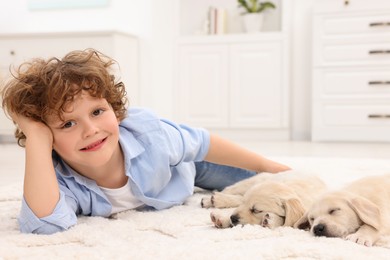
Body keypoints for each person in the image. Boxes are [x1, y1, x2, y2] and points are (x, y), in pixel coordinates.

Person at [0, 49, 290, 235]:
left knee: (271, 186)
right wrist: (35, 135)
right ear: (48, 137)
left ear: (114, 109)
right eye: (67, 124)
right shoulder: (59, 180)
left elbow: (201, 143)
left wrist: (268, 165)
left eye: (98, 112)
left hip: (190, 166)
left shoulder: (149, 134)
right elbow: (46, 224)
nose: (90, 130)